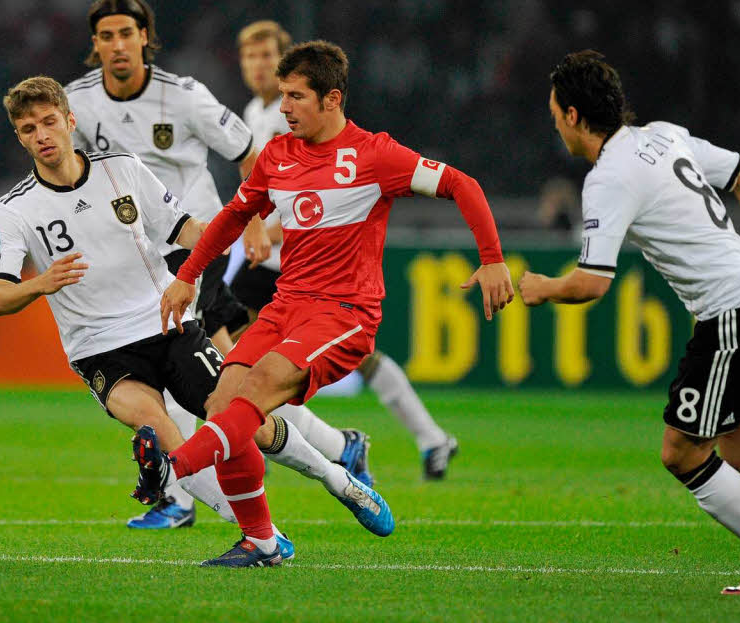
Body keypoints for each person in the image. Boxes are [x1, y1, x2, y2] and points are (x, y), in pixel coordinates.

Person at [0, 76, 385, 564]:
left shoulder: (124, 171)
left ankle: (336, 478)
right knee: (159, 429)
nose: (42, 135)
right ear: (20, 138)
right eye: (29, 129)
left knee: (243, 421)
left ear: (70, 121)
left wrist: (241, 222)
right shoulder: (15, 209)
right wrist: (37, 284)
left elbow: (185, 229)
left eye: (49, 122)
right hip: (97, 348)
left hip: (166, 324)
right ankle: (264, 537)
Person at [142, 41, 513, 567]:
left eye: (295, 97)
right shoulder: (277, 154)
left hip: (344, 314)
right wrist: (187, 276)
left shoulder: (375, 155)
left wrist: (493, 258)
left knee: (262, 386)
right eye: (283, 95)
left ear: (332, 98)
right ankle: (267, 537)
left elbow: (460, 183)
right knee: (222, 405)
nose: (284, 106)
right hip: (286, 304)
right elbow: (230, 217)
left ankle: (169, 470)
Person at [65, 0, 371, 532]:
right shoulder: (77, 104)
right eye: (106, 36)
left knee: (186, 369)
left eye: (127, 34)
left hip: (193, 247)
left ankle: (183, 497)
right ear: (95, 45)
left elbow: (249, 151)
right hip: (138, 258)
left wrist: (252, 219)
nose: (117, 45)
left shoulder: (183, 98)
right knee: (231, 378)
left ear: (145, 39)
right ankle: (337, 447)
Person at [518, 50, 740, 596]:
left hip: (732, 313)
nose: (554, 121)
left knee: (681, 452)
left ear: (576, 116)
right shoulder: (663, 135)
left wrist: (541, 288)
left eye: (556, 111)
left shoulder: (607, 177)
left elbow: (592, 282)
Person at [234, 20, 461, 480]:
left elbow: (314, 189)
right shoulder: (254, 113)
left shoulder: (292, 111)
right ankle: (406, 440)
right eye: (248, 57)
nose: (256, 66)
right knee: (239, 354)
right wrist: (256, 223)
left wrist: (272, 231)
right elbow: (261, 184)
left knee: (249, 359)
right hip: (277, 268)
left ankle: (329, 443)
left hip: (310, 266)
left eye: (265, 56)